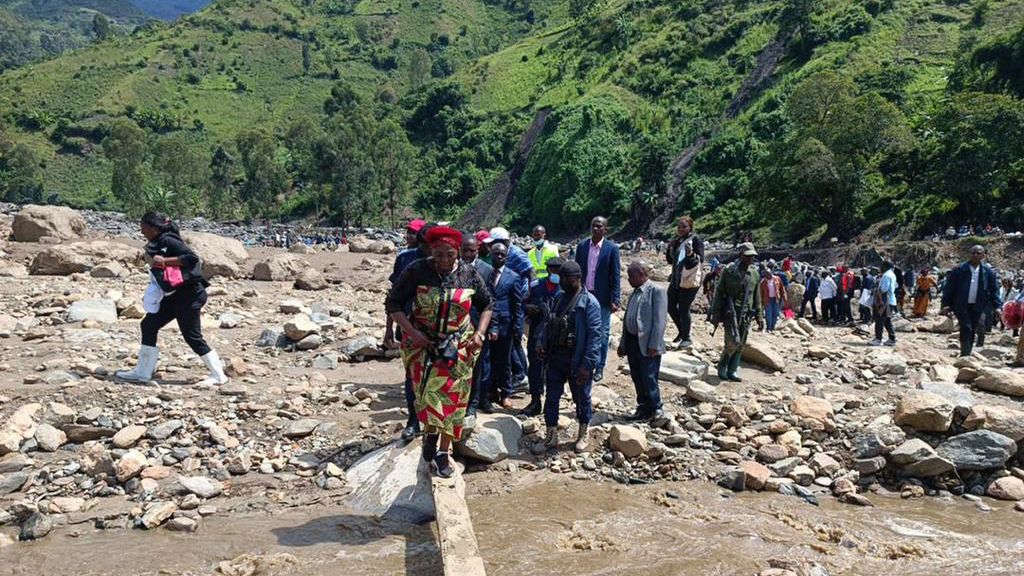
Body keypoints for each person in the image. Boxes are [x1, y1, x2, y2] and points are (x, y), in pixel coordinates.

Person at [385, 226, 492, 478]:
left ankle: (444, 453)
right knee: (426, 397)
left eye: (450, 255)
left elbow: (487, 304)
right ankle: (429, 435)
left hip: (459, 346)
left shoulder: (470, 274)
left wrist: (480, 334)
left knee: (453, 402)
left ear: (458, 253)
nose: (445, 261)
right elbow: (393, 303)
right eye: (439, 254)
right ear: (431, 251)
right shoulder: (417, 271)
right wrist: (412, 332)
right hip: (424, 346)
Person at [116, 212, 228, 386]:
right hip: (175, 295)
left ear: (154, 228)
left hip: (190, 294)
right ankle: (143, 372)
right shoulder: (156, 242)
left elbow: (192, 258)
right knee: (148, 324)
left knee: (192, 336)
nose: (141, 230)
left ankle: (219, 375)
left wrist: (165, 261)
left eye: (143, 226)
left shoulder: (168, 240)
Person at [537, 261, 602, 453]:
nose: (562, 281)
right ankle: (551, 434)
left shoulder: (589, 302)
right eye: (561, 277)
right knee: (551, 398)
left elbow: (595, 336)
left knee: (582, 398)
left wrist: (588, 365)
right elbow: (549, 324)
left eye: (566, 278)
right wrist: (542, 344)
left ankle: (583, 432)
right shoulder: (558, 298)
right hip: (556, 357)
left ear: (577, 278)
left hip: (577, 359)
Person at [385, 218, 429, 441]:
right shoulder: (406, 260)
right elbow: (393, 299)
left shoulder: (451, 263)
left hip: (441, 332)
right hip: (410, 327)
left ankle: (435, 422)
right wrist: (389, 330)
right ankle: (414, 420)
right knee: (412, 375)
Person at [618, 261, 667, 421]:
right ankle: (643, 406)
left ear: (641, 275)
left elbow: (659, 321)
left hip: (647, 343)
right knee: (637, 375)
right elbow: (629, 318)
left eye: (631, 276)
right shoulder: (635, 292)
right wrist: (622, 343)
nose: (629, 280)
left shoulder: (656, 291)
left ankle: (656, 407)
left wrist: (654, 344)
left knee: (649, 376)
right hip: (633, 341)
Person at [480, 242, 526, 412]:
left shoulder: (513, 277)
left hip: (506, 325)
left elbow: (518, 305)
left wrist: (518, 328)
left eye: (502, 255)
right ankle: (491, 391)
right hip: (486, 323)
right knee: (487, 359)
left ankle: (506, 393)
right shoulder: (484, 274)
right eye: (495, 254)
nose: (498, 257)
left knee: (504, 361)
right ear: (490, 254)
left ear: (506, 257)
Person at [574, 216, 621, 382]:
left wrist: (616, 298)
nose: (595, 229)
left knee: (601, 333)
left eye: (599, 226)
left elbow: (615, 275)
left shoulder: (612, 249)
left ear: (605, 230)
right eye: (593, 226)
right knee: (581, 329)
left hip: (602, 297)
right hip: (584, 295)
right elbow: (577, 271)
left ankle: (599, 366)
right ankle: (583, 361)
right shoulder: (582, 246)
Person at [486, 227, 532, 389]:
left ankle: (521, 375)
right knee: (513, 344)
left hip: (516, 297)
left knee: (513, 341)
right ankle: (520, 375)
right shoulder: (495, 265)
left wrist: (527, 296)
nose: (497, 254)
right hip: (506, 299)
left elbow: (530, 273)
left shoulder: (516, 253)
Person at [709, 243, 763, 382]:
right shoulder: (729, 271)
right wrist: (715, 313)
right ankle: (722, 366)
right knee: (731, 342)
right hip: (730, 312)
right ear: (741, 255)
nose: (750, 259)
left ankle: (733, 370)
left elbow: (757, 297)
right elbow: (719, 292)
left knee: (741, 344)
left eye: (752, 256)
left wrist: (759, 316)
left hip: (746, 314)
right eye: (747, 256)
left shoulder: (754, 274)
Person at [521, 258, 565, 417]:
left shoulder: (566, 288)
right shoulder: (536, 286)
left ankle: (552, 404)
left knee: (555, 368)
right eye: (551, 270)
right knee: (535, 366)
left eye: (557, 270)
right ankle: (535, 400)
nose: (554, 273)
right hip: (537, 332)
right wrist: (528, 308)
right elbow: (523, 302)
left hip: (557, 335)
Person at [941, 245, 1001, 357]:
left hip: (978, 305)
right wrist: (945, 305)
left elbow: (994, 291)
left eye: (978, 253)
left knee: (973, 328)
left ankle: (967, 352)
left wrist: (997, 307)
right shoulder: (959, 270)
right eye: (973, 253)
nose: (975, 255)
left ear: (983, 255)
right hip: (961, 305)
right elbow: (949, 289)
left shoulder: (988, 272)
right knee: (966, 326)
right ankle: (965, 353)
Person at [462, 234, 494, 425]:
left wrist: (489, 327)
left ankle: (473, 404)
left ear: (478, 250)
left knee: (478, 365)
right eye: (464, 249)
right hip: (457, 325)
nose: (467, 254)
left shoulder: (487, 270)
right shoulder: (453, 267)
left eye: (471, 250)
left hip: (479, 324)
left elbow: (491, 301)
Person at [665, 216, 704, 348]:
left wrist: (690, 254)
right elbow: (671, 261)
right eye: (679, 227)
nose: (681, 229)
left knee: (683, 308)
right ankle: (681, 331)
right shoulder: (677, 241)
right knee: (669, 306)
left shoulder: (695, 240)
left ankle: (686, 337)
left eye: (684, 227)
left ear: (690, 227)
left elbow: (699, 260)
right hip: (676, 279)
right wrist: (669, 248)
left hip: (689, 280)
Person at [871, 261, 898, 347]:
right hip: (891, 301)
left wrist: (875, 289)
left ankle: (878, 339)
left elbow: (883, 289)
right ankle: (892, 338)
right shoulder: (892, 274)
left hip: (884, 301)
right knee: (887, 320)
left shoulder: (886, 275)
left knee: (879, 320)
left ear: (885, 267)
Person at [759, 267, 786, 333]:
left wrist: (784, 296)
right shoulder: (763, 282)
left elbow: (782, 288)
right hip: (767, 300)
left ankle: (772, 327)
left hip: (776, 299)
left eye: (769, 273)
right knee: (768, 314)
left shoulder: (777, 279)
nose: (769, 275)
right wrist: (761, 301)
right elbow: (761, 293)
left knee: (775, 313)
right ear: (765, 275)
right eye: (767, 274)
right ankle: (768, 328)